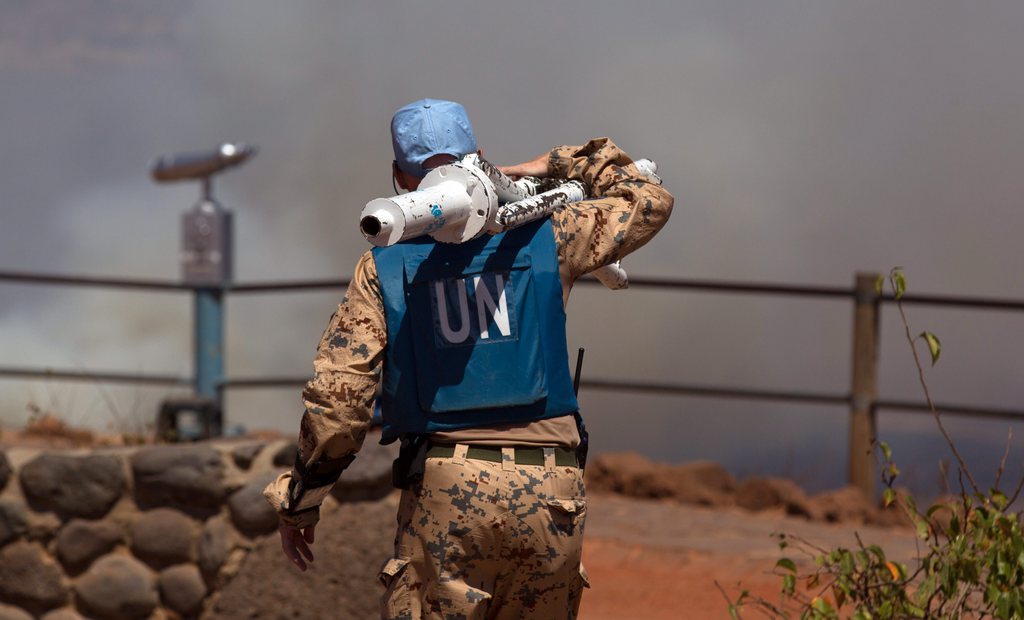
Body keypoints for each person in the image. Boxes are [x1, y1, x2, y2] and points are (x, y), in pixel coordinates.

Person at [264, 98, 673, 619]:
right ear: (479, 158)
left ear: (399, 178)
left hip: (445, 492)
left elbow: (339, 408)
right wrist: (552, 164)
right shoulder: (552, 233)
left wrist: (301, 500)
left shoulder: (382, 266)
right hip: (554, 494)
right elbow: (648, 199)